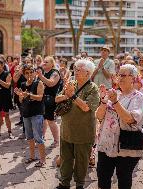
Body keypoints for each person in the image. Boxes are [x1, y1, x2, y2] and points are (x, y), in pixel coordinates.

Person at [96, 64, 143, 189]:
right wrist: (102, 101)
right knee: (103, 177)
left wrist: (115, 102)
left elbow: (131, 119)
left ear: (133, 78)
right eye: (119, 74)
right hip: (106, 143)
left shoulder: (137, 96)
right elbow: (99, 116)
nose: (120, 77)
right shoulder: (114, 93)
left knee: (123, 178)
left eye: (123, 75)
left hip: (126, 145)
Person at [55, 59, 99, 189]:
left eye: (79, 70)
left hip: (83, 133)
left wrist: (73, 96)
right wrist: (67, 95)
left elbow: (86, 108)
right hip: (66, 130)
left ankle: (79, 184)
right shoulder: (71, 83)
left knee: (81, 161)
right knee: (65, 159)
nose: (76, 71)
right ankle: (64, 183)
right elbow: (57, 99)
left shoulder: (93, 88)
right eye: (75, 69)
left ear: (88, 73)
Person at [14, 64, 46, 167]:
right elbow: (21, 100)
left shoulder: (39, 83)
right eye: (27, 73)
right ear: (23, 74)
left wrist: (29, 95)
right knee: (29, 137)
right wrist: (20, 96)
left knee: (38, 137)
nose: (29, 74)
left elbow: (40, 97)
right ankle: (32, 157)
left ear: (34, 73)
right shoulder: (23, 84)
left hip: (37, 113)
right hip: (26, 113)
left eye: (31, 72)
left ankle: (42, 159)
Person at [38, 56, 61, 147]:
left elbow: (51, 83)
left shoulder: (55, 73)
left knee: (51, 121)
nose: (44, 63)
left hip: (51, 99)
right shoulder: (43, 72)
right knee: (43, 120)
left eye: (46, 62)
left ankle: (56, 141)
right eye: (44, 61)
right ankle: (42, 137)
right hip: (42, 99)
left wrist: (40, 76)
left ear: (52, 64)